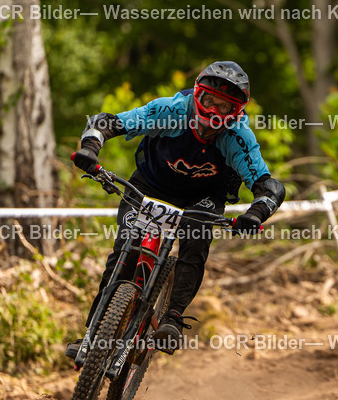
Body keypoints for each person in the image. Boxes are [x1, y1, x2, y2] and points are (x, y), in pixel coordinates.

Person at [68, 61, 285, 354]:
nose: (213, 111)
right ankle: (93, 335)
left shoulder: (238, 136)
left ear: (236, 112)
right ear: (197, 94)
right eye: (209, 100)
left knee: (195, 244)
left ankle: (172, 318)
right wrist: (90, 149)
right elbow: (110, 122)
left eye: (224, 106)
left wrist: (255, 214)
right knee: (124, 252)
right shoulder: (170, 111)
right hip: (150, 185)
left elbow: (268, 186)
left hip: (202, 197)